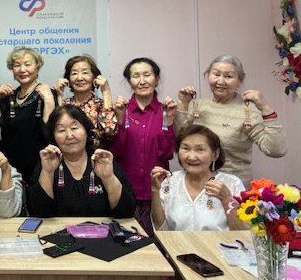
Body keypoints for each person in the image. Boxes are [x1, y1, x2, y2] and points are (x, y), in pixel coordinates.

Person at [176, 54, 288, 187]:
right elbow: (180, 140)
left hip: (234, 187)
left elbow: (276, 150)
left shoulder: (247, 111)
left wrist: (265, 108)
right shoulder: (199, 106)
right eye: (216, 74)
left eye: (228, 76)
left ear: (240, 80)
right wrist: (183, 104)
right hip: (197, 184)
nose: (221, 81)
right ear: (208, 75)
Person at [28, 104, 136, 218]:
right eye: (61, 130)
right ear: (53, 136)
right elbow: (38, 212)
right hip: (58, 229)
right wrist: (48, 173)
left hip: (101, 229)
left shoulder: (101, 160)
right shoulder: (47, 163)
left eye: (74, 128)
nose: (69, 135)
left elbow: (126, 211)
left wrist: (108, 178)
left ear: (86, 130)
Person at [110, 57, 176, 236]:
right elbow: (116, 152)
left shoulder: (166, 110)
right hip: (126, 191)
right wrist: (120, 121)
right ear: (129, 81)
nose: (142, 81)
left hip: (157, 191)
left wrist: (169, 121)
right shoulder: (120, 110)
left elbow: (167, 153)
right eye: (136, 76)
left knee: (159, 243)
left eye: (147, 75)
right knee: (127, 243)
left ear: (157, 79)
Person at [150, 125, 246, 231]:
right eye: (185, 148)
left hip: (219, 243)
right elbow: (160, 229)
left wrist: (227, 199)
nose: (191, 157)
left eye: (200, 149)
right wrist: (155, 190)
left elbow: (243, 234)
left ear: (215, 154)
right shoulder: (170, 182)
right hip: (176, 242)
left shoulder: (232, 184)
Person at [0, 46, 56, 184]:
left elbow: (49, 131)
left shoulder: (47, 94)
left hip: (39, 166)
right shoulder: (8, 96)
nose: (22, 69)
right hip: (9, 167)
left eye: (27, 64)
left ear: (37, 68)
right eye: (17, 65)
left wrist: (49, 101)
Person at [53, 55, 117, 148]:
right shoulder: (64, 105)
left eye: (85, 72)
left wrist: (106, 92)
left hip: (96, 155)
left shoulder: (102, 105)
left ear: (94, 78)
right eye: (74, 73)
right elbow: (54, 132)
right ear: (68, 79)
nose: (79, 78)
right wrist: (59, 96)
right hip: (67, 155)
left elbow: (109, 131)